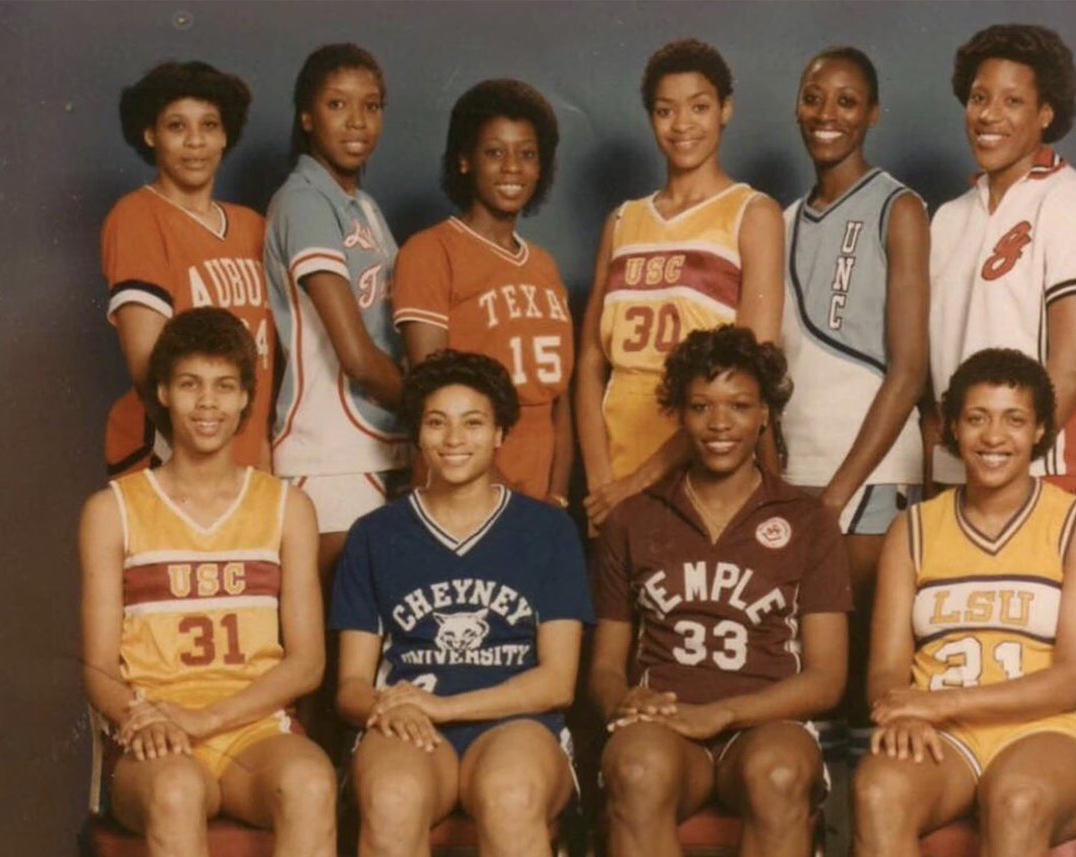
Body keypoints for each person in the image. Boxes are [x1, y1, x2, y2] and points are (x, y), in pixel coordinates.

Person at [80, 307, 335, 857]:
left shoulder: (287, 507)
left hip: (255, 730)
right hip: (155, 732)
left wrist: (209, 718)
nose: (208, 403)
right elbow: (99, 666)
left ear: (246, 398)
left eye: (225, 387)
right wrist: (140, 716)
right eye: (191, 385)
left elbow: (308, 662)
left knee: (311, 784)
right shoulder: (113, 509)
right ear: (165, 393)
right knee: (176, 790)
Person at [590, 325, 852, 857]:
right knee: (636, 770)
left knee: (776, 775)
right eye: (700, 406)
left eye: (738, 405)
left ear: (764, 416)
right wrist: (623, 698)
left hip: (766, 722)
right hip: (664, 722)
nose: (719, 424)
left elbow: (827, 679)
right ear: (680, 415)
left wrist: (725, 713)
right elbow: (603, 667)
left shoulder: (807, 520)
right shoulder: (634, 519)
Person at [852, 348, 1076, 856]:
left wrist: (937, 703)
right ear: (953, 426)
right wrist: (900, 710)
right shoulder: (913, 529)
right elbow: (884, 670)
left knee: (1016, 799)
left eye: (1014, 419)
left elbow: (1072, 679)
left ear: (1039, 429)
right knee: (878, 791)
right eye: (977, 418)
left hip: (1047, 732)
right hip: (941, 738)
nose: (994, 437)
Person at [331, 350, 593, 857]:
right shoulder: (375, 535)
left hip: (517, 723)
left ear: (499, 433)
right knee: (391, 797)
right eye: (436, 422)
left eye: (473, 423)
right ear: (417, 433)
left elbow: (558, 682)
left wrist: (447, 707)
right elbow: (350, 688)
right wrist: (388, 706)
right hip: (408, 724)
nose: (453, 440)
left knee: (510, 795)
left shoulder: (547, 530)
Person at [778, 46, 930, 764]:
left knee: (868, 672)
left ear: (871, 112)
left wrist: (839, 490)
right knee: (810, 682)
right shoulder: (778, 220)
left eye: (845, 101)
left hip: (868, 478)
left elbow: (908, 370)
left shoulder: (897, 207)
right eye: (814, 98)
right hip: (795, 475)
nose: (827, 115)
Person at [576, 38, 785, 530]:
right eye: (666, 110)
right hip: (615, 464)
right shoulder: (622, 221)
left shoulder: (752, 213)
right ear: (651, 117)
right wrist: (602, 481)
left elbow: (751, 372)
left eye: (699, 107)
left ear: (726, 110)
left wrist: (638, 481)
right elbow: (589, 365)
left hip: (706, 463)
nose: (682, 124)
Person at [927, 24, 1076, 505]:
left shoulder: (1070, 200)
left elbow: (1071, 366)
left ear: (1045, 113)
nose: (988, 115)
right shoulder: (948, 219)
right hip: (963, 465)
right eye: (978, 98)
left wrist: (1003, 457)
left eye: (1012, 102)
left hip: (1050, 463)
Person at [264, 42, 408, 584]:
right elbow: (357, 357)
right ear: (306, 116)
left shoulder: (362, 205)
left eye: (371, 106)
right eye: (337, 105)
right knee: (332, 635)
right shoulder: (303, 200)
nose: (358, 122)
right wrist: (434, 409)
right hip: (327, 453)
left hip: (377, 444)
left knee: (369, 641)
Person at [393, 79, 573, 503]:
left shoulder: (545, 266)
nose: (512, 167)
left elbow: (560, 401)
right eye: (495, 152)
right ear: (464, 160)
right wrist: (501, 499)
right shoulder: (430, 251)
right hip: (464, 487)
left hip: (541, 489)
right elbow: (430, 391)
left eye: (526, 154)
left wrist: (557, 498)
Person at [103, 60, 272, 476]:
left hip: (246, 457)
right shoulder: (138, 216)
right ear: (150, 134)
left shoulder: (253, 226)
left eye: (209, 126)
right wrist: (200, 471)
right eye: (177, 126)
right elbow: (148, 368)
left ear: (225, 135)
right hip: (172, 458)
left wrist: (260, 452)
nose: (196, 141)